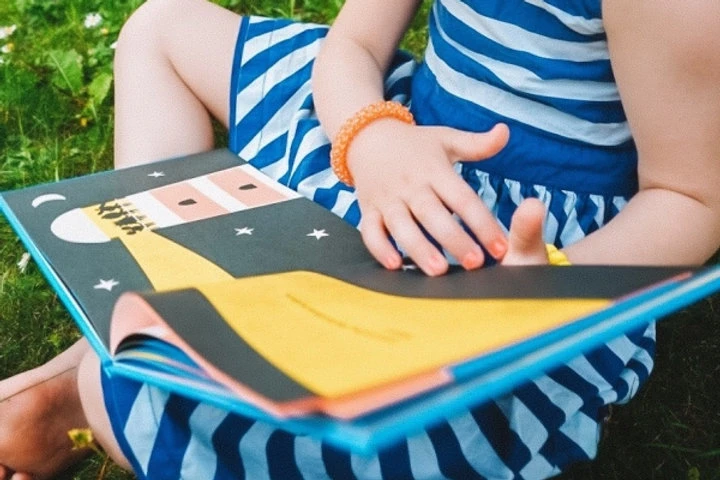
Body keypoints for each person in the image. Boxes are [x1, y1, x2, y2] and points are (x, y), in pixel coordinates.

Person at [1, 0, 720, 478]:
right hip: (391, 137)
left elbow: (691, 198)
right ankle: (137, 309)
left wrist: (546, 287)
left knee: (342, 399)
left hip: (502, 242)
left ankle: (99, 377)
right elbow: (353, 43)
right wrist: (370, 135)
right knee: (162, 29)